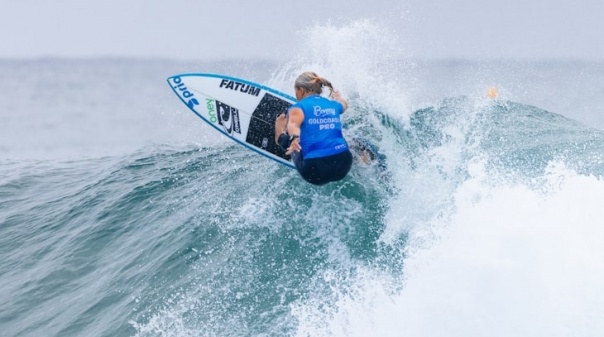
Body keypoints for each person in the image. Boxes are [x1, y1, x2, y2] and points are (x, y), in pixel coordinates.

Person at [274, 71, 352, 185]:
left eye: (295, 91)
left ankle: (279, 133)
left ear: (301, 90)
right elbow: (344, 105)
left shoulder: (298, 107)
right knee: (337, 136)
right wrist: (338, 97)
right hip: (344, 165)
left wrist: (291, 135)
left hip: (315, 170)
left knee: (285, 141)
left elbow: (293, 124)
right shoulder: (332, 104)